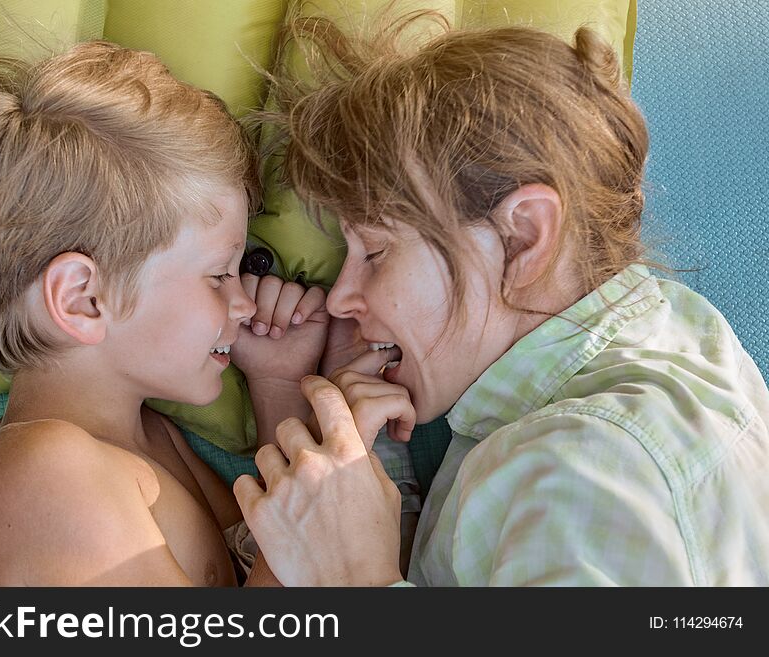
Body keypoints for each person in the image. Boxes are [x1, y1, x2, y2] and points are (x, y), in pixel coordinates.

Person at [233, 14, 769, 586]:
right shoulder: (680, 335)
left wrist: (353, 579)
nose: (341, 299)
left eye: (377, 251)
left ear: (524, 237)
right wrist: (367, 469)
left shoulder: (588, 467)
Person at [0, 40, 331, 586]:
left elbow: (268, 556)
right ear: (83, 299)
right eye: (219, 274)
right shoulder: (44, 475)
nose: (245, 299)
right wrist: (328, 486)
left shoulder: (147, 438)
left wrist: (279, 386)